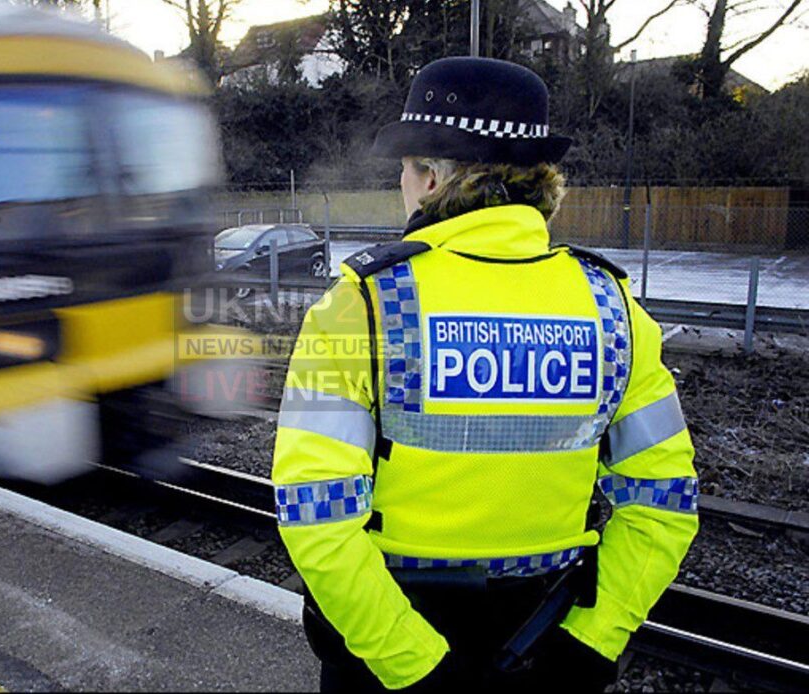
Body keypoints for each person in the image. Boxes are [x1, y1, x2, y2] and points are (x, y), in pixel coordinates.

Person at [271, 57, 698, 691]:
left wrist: (412, 662)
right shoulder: (614, 310)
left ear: (432, 177)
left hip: (389, 657)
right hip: (545, 645)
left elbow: (314, 511)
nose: (402, 183)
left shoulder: (364, 304)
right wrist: (593, 638)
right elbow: (664, 503)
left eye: (406, 168)